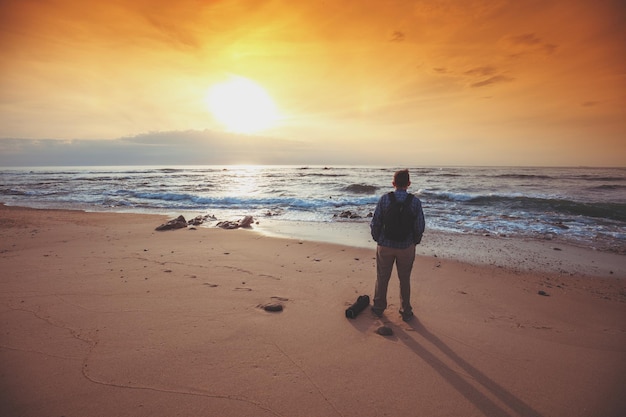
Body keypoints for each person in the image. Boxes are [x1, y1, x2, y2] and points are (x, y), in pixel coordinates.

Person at [370, 169, 425, 321]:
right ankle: (405, 310)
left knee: (382, 277)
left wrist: (378, 239)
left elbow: (375, 222)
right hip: (406, 247)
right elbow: (419, 226)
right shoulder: (415, 201)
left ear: (393, 183)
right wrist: (414, 242)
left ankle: (379, 307)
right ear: (409, 184)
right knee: (404, 279)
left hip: (385, 245)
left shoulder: (385, 199)